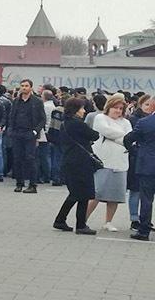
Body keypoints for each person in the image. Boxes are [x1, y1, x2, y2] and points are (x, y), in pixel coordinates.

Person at [53, 98, 99, 235]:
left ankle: (60, 220)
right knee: (83, 194)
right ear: (75, 110)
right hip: (81, 162)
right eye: (81, 108)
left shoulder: (65, 123)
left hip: (70, 160)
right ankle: (80, 225)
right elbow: (94, 135)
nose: (84, 111)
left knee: (75, 193)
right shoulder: (78, 124)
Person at [86, 96, 132, 232]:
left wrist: (122, 137)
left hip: (120, 162)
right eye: (115, 108)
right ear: (108, 107)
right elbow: (106, 131)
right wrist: (123, 136)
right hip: (103, 162)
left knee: (115, 196)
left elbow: (129, 137)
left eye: (120, 108)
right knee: (96, 193)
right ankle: (83, 219)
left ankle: (108, 221)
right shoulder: (100, 118)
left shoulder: (126, 122)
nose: (118, 111)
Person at [125, 97, 155, 241]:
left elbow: (128, 139)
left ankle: (144, 231)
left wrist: (135, 151)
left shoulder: (144, 123)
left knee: (146, 199)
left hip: (147, 165)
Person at [9, 79, 46, 193]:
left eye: (26, 86)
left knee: (30, 159)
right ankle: (19, 183)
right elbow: (11, 116)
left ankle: (32, 185)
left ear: (31, 87)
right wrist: (11, 129)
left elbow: (42, 119)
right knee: (17, 158)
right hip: (17, 133)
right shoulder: (16, 101)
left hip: (30, 133)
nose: (24, 88)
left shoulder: (37, 102)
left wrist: (35, 131)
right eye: (22, 86)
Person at [36, 90, 56, 184]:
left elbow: (43, 119)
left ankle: (44, 175)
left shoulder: (45, 106)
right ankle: (47, 174)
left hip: (44, 133)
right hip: (49, 133)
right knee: (47, 155)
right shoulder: (52, 106)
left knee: (43, 155)